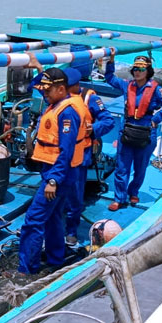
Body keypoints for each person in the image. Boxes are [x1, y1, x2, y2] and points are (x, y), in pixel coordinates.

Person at [17, 68, 89, 275]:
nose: (44, 95)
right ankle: (56, 258)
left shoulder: (67, 113)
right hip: (58, 172)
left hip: (58, 175)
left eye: (48, 91)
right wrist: (36, 66)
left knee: (34, 220)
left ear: (60, 89)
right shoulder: (56, 103)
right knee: (54, 217)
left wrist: (53, 180)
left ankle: (26, 270)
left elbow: (66, 151)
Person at [105, 54, 162, 211]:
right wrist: (110, 62)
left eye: (141, 69)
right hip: (127, 130)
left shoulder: (156, 89)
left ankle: (134, 191)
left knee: (140, 167)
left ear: (148, 71)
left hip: (146, 132)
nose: (137, 72)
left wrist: (156, 119)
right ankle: (119, 198)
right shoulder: (127, 85)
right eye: (135, 69)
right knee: (122, 167)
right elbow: (109, 78)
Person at [62, 68, 115, 246]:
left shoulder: (90, 98)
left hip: (80, 154)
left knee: (76, 195)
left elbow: (108, 121)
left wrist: (92, 129)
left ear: (76, 85)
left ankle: (71, 231)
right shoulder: (59, 97)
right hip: (59, 153)